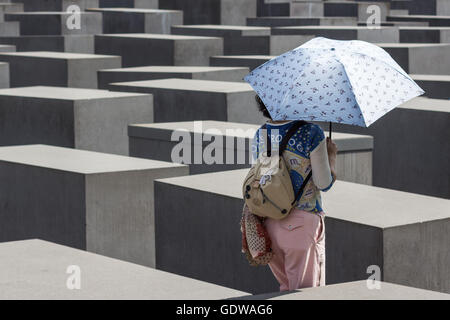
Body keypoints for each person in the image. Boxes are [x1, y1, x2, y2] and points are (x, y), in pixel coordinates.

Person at [252, 95, 338, 291]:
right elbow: (324, 183)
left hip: (269, 225)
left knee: (286, 290)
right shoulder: (311, 132)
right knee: (306, 294)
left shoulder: (261, 134)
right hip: (302, 225)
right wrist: (331, 156)